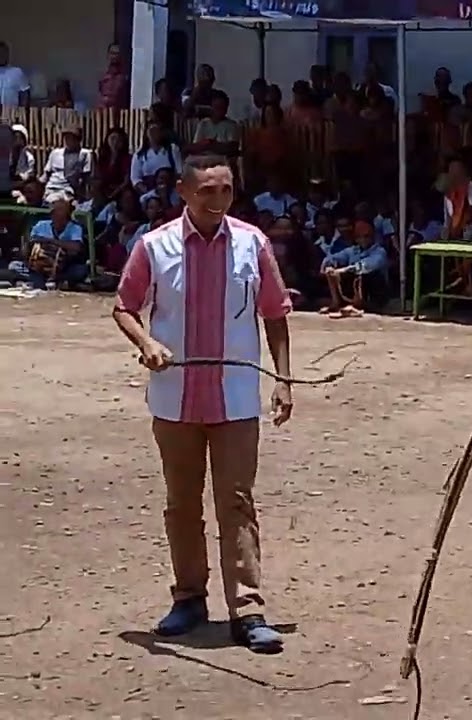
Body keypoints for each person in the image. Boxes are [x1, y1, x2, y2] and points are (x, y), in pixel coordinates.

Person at [110, 154, 293, 654]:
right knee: (182, 504)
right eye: (207, 191)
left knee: (237, 501)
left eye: (226, 190)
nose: (217, 200)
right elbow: (123, 306)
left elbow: (275, 314)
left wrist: (282, 378)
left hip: (236, 397)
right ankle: (189, 597)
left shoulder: (252, 244)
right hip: (174, 399)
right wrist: (146, 343)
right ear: (185, 194)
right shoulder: (155, 246)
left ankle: (248, 609)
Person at [320, 219, 389, 318]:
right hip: (354, 288)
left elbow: (365, 266)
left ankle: (357, 306)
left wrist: (342, 270)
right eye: (359, 237)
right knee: (331, 272)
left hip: (376, 293)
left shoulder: (379, 252)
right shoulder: (353, 250)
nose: (363, 240)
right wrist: (328, 264)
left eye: (366, 237)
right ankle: (336, 303)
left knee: (361, 275)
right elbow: (334, 257)